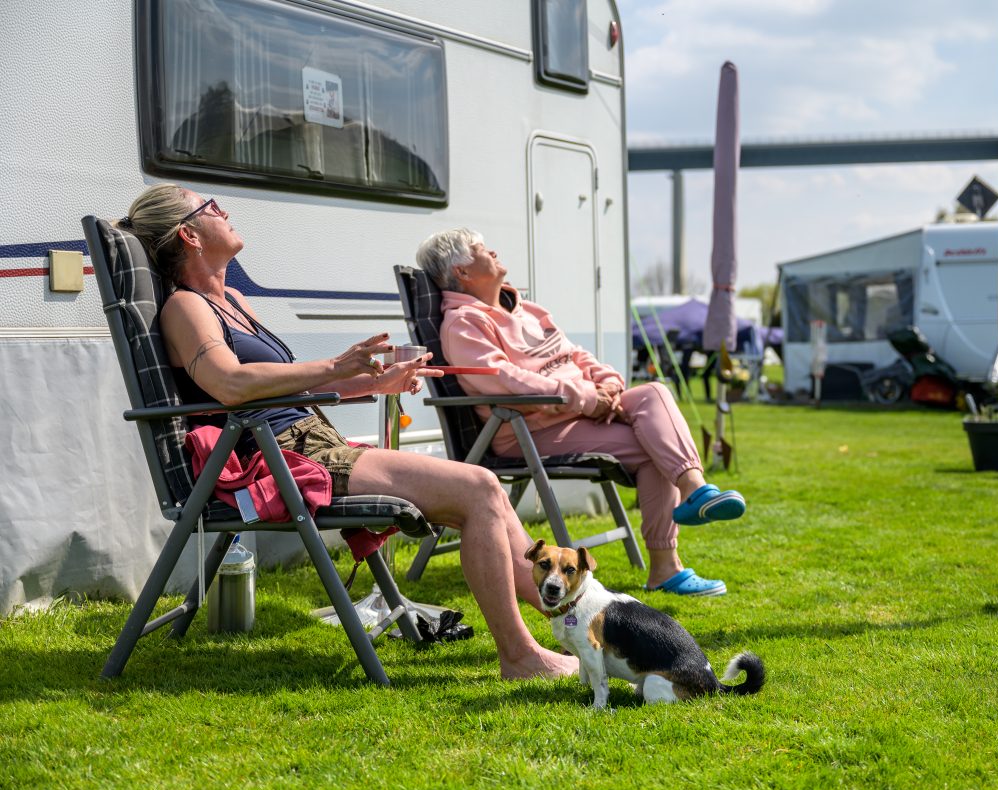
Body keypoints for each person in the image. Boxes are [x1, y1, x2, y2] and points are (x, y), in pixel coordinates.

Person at [118, 184, 576, 681]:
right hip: (279, 457)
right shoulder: (185, 308)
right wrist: (335, 364)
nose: (224, 210)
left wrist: (376, 382)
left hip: (308, 441)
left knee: (490, 500)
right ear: (189, 234)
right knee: (480, 487)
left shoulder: (231, 299)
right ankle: (520, 657)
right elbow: (229, 384)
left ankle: (577, 619)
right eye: (210, 208)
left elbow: (284, 387)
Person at [415, 228, 746, 597]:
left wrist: (609, 386)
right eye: (480, 249)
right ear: (461, 271)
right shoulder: (463, 324)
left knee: (654, 391)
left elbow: (575, 354)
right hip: (528, 428)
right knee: (655, 447)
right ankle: (666, 566)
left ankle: (694, 490)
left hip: (576, 412)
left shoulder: (527, 309)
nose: (492, 250)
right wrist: (587, 397)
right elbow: (505, 381)